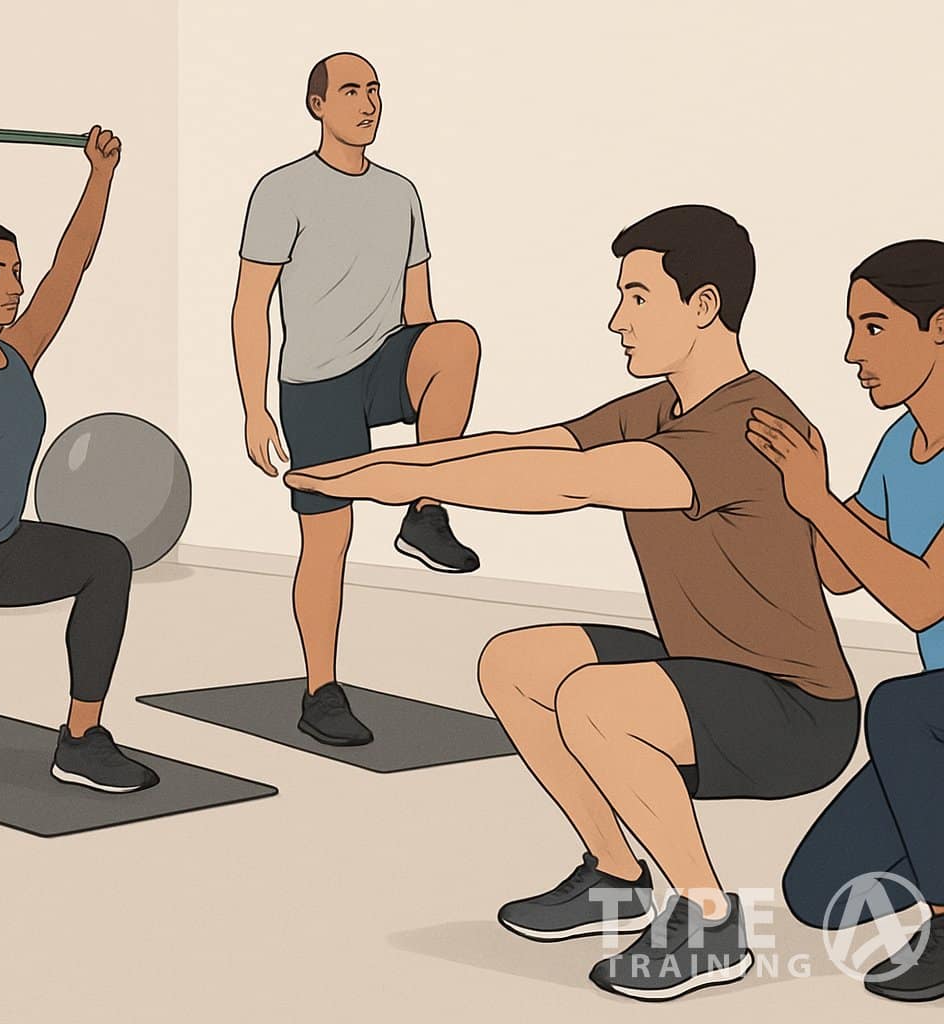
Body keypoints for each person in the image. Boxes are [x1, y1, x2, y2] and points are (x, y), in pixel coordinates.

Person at [286, 204, 860, 1000]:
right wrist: (365, 470)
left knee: (592, 699)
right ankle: (617, 876)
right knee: (516, 663)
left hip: (798, 713)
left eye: (637, 296)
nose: (617, 319)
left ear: (702, 308)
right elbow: (529, 445)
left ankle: (709, 920)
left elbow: (563, 483)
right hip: (706, 671)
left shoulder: (749, 428)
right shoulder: (662, 406)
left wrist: (397, 480)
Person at [232, 52, 482, 747]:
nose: (367, 103)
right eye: (350, 91)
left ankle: (425, 513)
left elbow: (420, 304)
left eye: (375, 91)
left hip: (381, 364)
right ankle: (321, 691)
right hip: (315, 383)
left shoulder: (400, 192)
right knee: (328, 538)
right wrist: (255, 408)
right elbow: (251, 305)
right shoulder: (282, 191)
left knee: (455, 340)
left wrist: (428, 377)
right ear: (317, 104)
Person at [0, 126, 158, 793]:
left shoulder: (20, 352)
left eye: (16, 272)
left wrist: (101, 173)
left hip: (5, 548)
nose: (14, 286)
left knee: (106, 560)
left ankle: (81, 740)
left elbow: (72, 263)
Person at [750, 240, 944, 1003]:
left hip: (929, 709)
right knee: (821, 891)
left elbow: (926, 600)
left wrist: (819, 502)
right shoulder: (902, 443)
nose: (852, 352)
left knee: (897, 704)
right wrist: (774, 498)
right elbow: (837, 568)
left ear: (940, 328)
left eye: (874, 327)